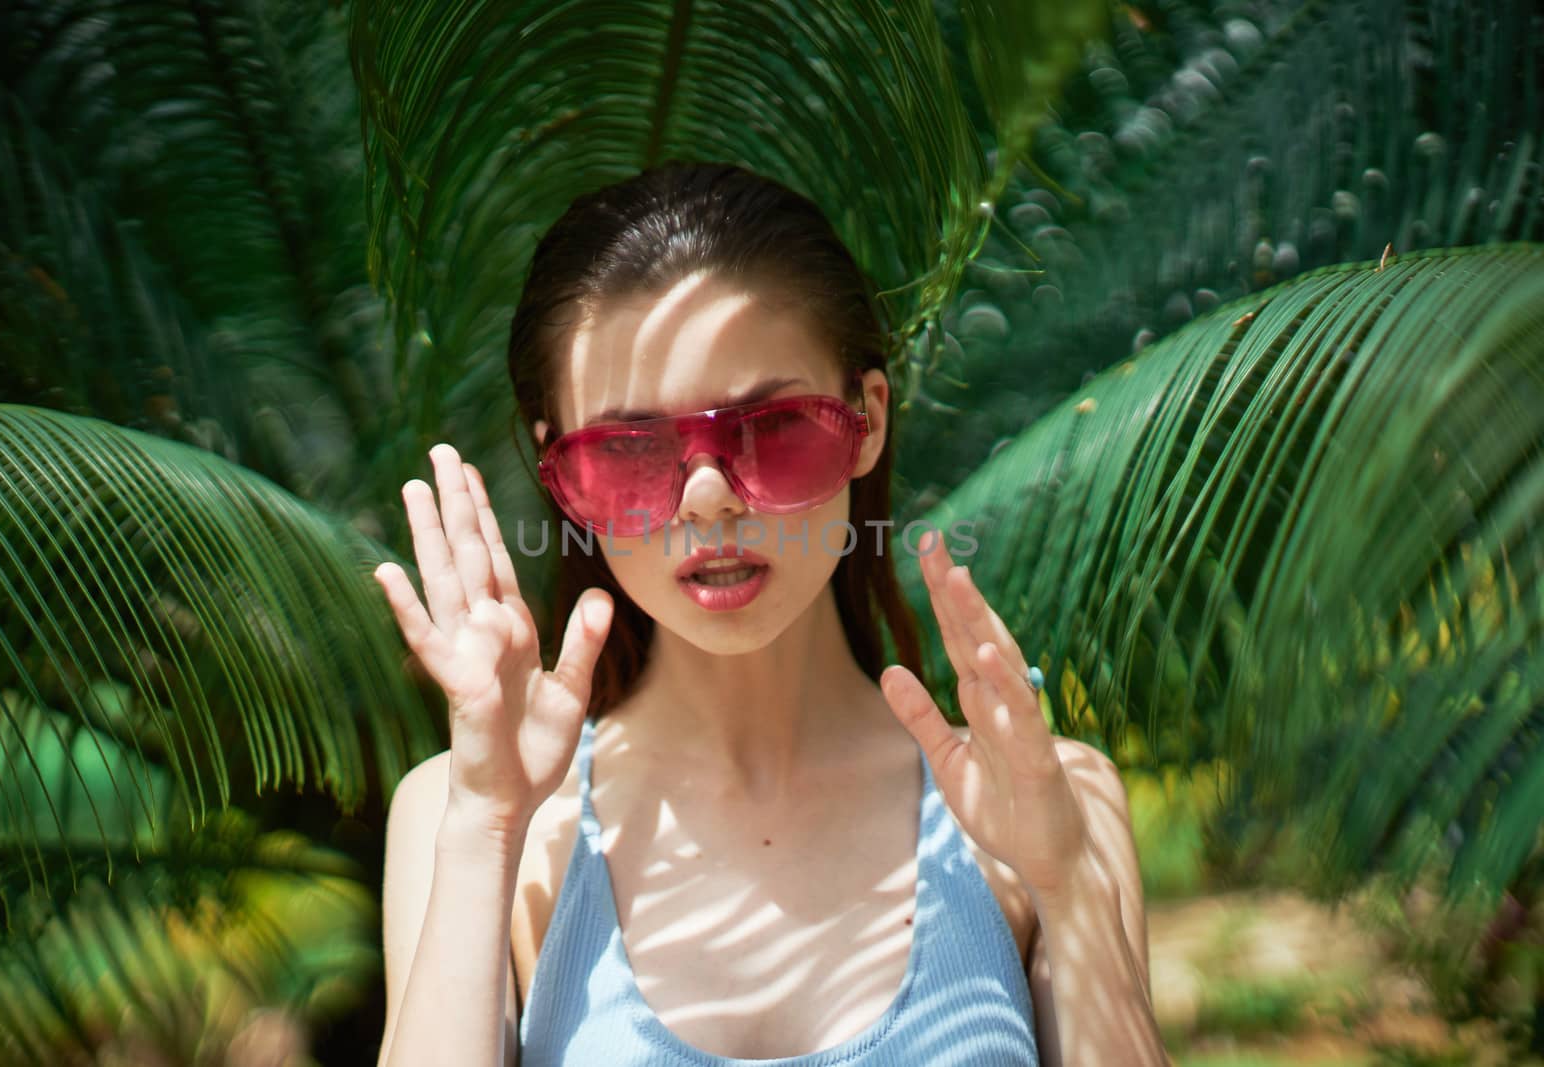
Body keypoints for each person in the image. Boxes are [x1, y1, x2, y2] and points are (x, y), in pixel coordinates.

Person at [371, 161, 1166, 1067]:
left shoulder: (1049, 805)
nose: (707, 499)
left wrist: (1066, 884)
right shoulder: (467, 815)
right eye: (631, 450)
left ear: (865, 419)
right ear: (559, 471)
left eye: (773, 429)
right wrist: (486, 828)